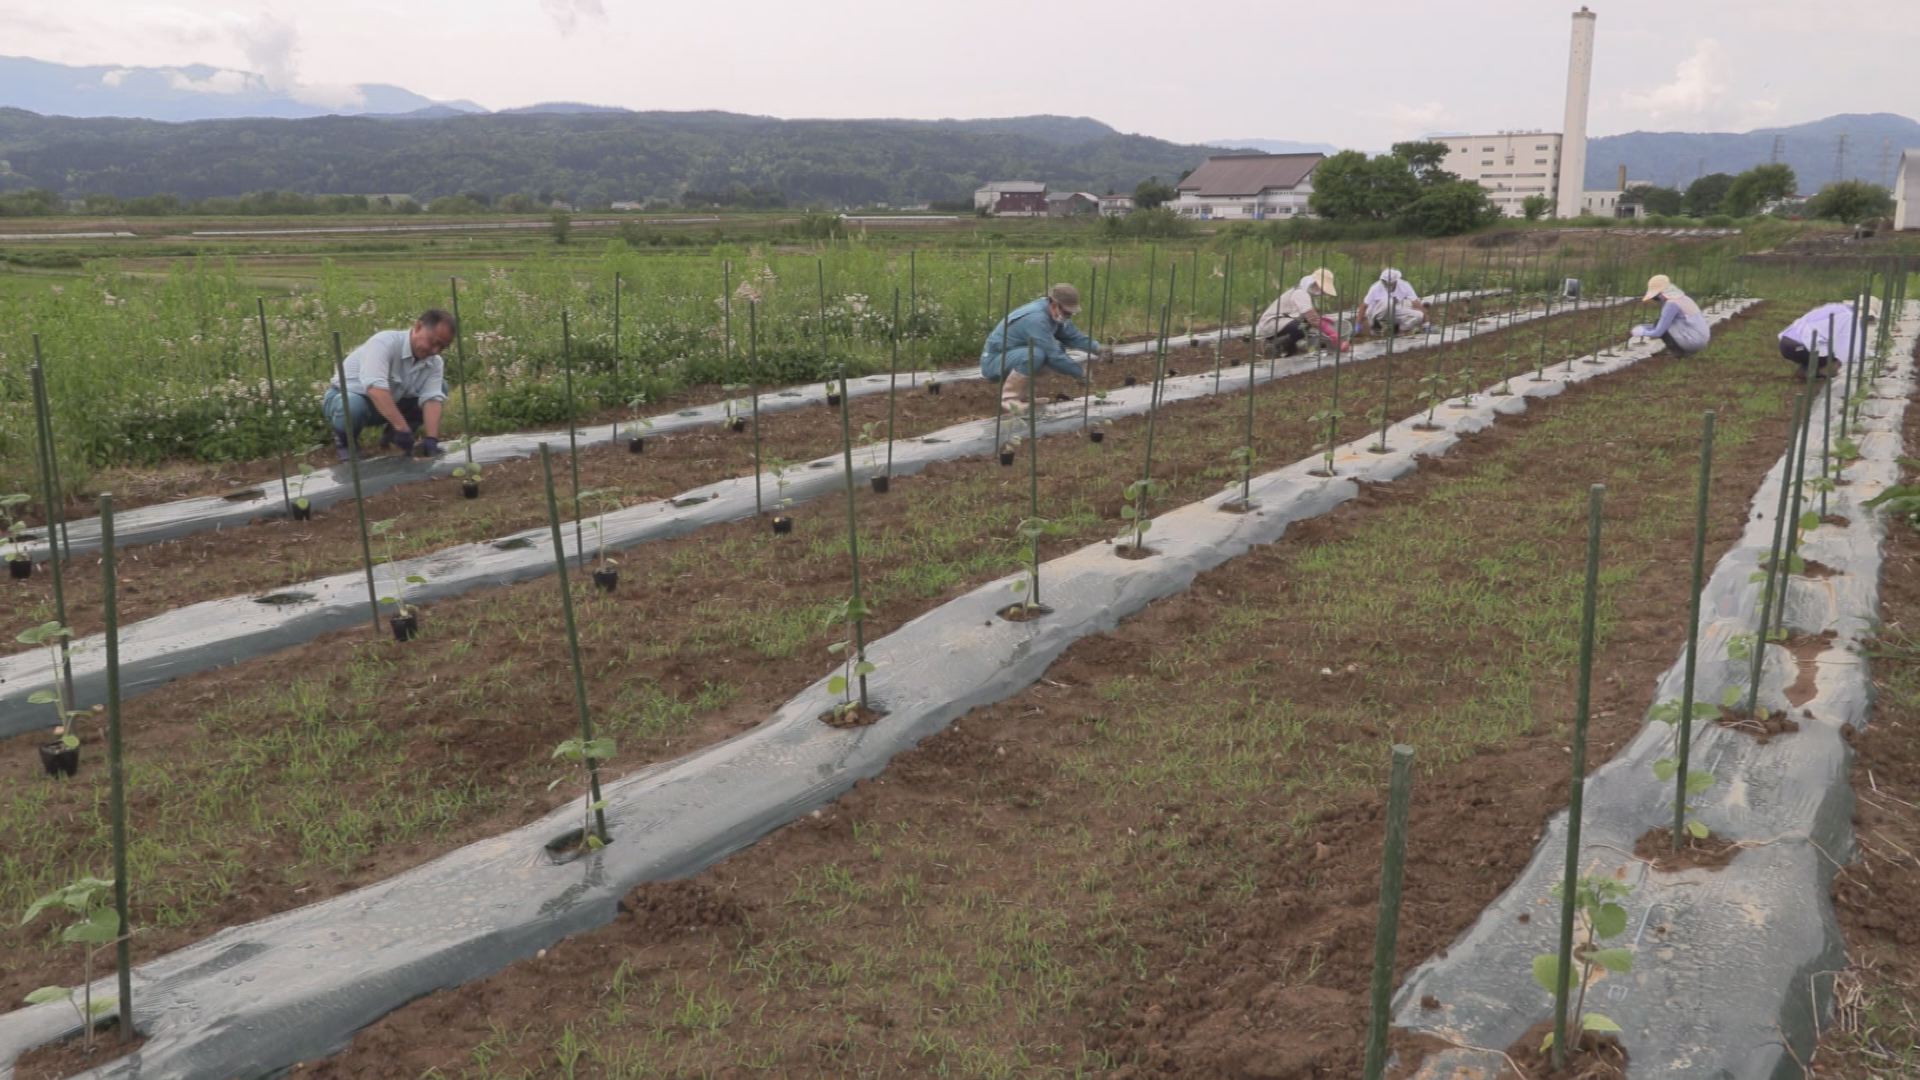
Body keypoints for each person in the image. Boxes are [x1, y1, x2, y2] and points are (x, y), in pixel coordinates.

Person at [323, 310, 456, 459]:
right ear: (418, 327)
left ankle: (393, 438)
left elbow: (432, 399)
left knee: (440, 387)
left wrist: (432, 439)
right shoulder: (384, 343)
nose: (435, 350)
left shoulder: (434, 362)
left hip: (391, 402)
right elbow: (375, 389)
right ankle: (346, 443)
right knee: (352, 405)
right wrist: (402, 428)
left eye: (442, 347)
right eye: (433, 342)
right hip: (350, 399)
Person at [980, 283, 1102, 416]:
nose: (1068, 316)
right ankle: (1010, 400)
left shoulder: (1055, 314)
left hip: (1015, 355)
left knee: (1051, 351)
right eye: (1067, 312)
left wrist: (1098, 348)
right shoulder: (1036, 319)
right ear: (1055, 304)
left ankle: (1025, 397)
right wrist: (1080, 373)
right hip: (995, 361)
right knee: (1037, 355)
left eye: (1071, 314)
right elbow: (1053, 355)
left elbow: (1073, 336)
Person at [1778, 296, 1880, 377]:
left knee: (1825, 347)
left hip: (1785, 344)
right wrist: (1873, 356)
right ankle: (1814, 371)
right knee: (1834, 354)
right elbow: (1851, 350)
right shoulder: (1849, 317)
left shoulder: (1835, 308)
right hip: (1798, 346)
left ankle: (1808, 368)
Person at [1255, 268, 1344, 358]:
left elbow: (1308, 314)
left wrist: (1322, 319)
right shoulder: (1300, 293)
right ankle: (1275, 346)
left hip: (1282, 321)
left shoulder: (1304, 291)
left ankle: (1289, 348)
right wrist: (1332, 333)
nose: (1321, 292)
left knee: (1305, 324)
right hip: (1271, 322)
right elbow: (1313, 319)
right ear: (1315, 283)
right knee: (1301, 327)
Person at [1630, 274, 1712, 356]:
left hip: (1692, 343)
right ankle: (1682, 350)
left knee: (1659, 323)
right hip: (1702, 341)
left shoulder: (1671, 304)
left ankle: (1678, 352)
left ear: (1661, 294)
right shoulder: (1684, 298)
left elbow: (1658, 332)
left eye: (1655, 297)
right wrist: (1645, 326)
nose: (1656, 300)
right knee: (1661, 323)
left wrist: (1642, 332)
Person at [1355, 268, 1429, 337]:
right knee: (1389, 302)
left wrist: (1426, 323)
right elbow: (1364, 305)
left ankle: (1396, 330)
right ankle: (1377, 326)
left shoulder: (1404, 285)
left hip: (1393, 311)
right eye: (1384, 282)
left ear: (1395, 281)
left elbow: (1416, 302)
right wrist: (1358, 324)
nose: (1386, 284)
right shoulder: (1376, 287)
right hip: (1376, 313)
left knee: (1419, 315)